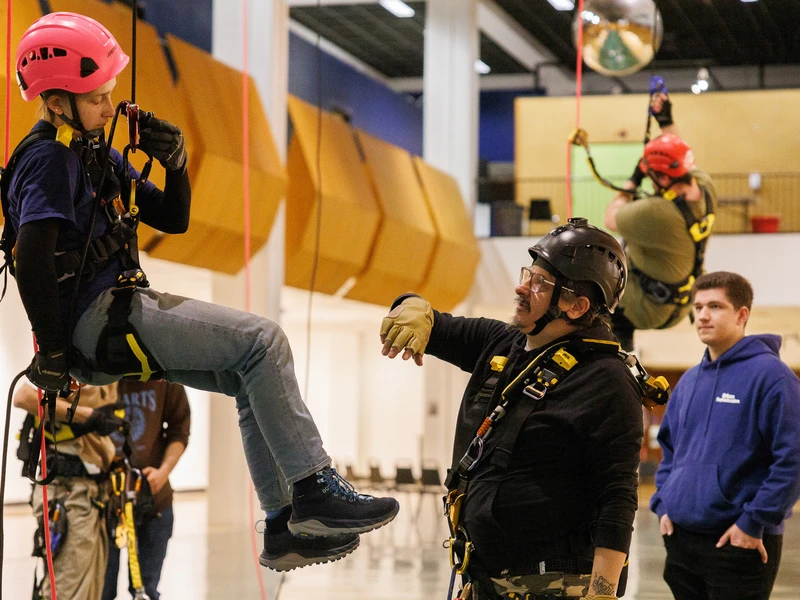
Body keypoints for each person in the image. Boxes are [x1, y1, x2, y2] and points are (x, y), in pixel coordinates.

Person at [3, 11, 397, 572]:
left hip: (109, 314)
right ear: (56, 100)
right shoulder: (48, 157)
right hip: (95, 320)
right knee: (265, 341)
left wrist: (176, 162)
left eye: (109, 94)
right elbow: (32, 257)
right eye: (96, 98)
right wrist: (53, 351)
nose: (109, 107)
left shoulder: (92, 152)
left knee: (246, 373)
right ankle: (313, 486)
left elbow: (175, 217)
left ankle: (285, 527)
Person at [380, 218, 647, 600]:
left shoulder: (608, 380)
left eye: (540, 284)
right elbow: (432, 323)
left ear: (576, 306)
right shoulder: (503, 343)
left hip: (554, 584)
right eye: (528, 274)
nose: (522, 287)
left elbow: (617, 496)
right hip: (484, 574)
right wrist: (410, 307)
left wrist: (601, 593)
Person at [650, 271, 800, 600]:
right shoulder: (688, 381)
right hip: (682, 539)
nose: (702, 315)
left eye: (715, 306)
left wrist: (754, 522)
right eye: (698, 306)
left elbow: (792, 459)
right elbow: (670, 451)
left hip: (739, 539)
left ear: (742, 314)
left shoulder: (773, 377)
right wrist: (663, 504)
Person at [604, 92, 717, 351]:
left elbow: (610, 217)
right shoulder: (705, 188)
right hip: (683, 302)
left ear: (663, 179)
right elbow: (681, 154)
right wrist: (666, 120)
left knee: (598, 297)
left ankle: (621, 359)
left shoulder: (656, 213)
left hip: (649, 309)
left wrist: (633, 180)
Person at [14, 382, 126, 600]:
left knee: (90, 590)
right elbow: (23, 397)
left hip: (93, 491)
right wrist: (87, 416)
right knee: (67, 589)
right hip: (68, 492)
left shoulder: (108, 369)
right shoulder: (70, 357)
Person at [102, 380, 190, 600]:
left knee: (146, 590)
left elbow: (180, 430)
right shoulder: (97, 375)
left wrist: (163, 471)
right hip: (105, 504)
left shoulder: (165, 376)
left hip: (154, 503)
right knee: (101, 591)